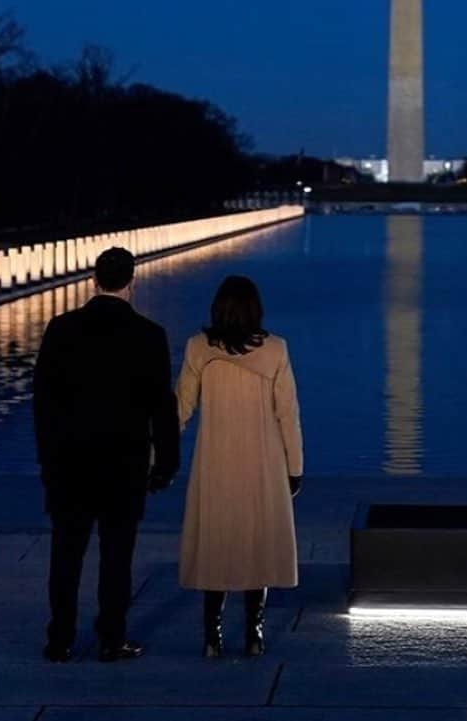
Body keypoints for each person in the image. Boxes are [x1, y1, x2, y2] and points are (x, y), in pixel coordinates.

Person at [33, 247, 179, 663]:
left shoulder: (61, 329)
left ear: (93, 281)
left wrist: (48, 459)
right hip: (124, 463)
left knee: (65, 554)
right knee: (117, 557)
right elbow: (161, 408)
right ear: (132, 282)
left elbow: (43, 401)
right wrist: (166, 464)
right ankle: (111, 638)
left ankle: (59, 639)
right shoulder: (150, 335)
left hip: (69, 463)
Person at [176, 275, 303, 657]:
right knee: (256, 544)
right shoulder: (276, 350)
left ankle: (212, 636)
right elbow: (288, 416)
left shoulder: (198, 349)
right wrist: (294, 467)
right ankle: (254, 633)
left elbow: (180, 409)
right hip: (262, 462)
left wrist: (156, 455)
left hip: (215, 461)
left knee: (217, 544)